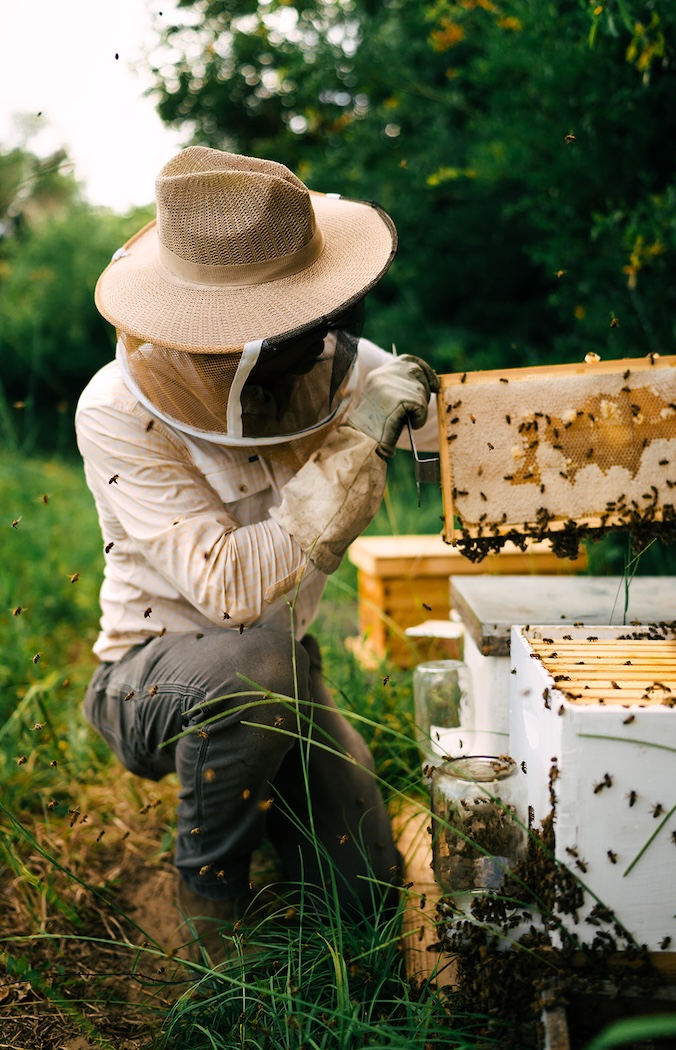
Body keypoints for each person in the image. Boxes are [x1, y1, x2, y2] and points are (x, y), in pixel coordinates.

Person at [75, 146, 438, 964]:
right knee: (255, 672)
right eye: (293, 323)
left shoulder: (349, 373)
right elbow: (230, 589)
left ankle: (270, 787)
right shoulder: (117, 411)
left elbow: (489, 441)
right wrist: (354, 446)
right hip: (153, 678)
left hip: (286, 668)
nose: (316, 337)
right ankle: (208, 907)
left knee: (365, 905)